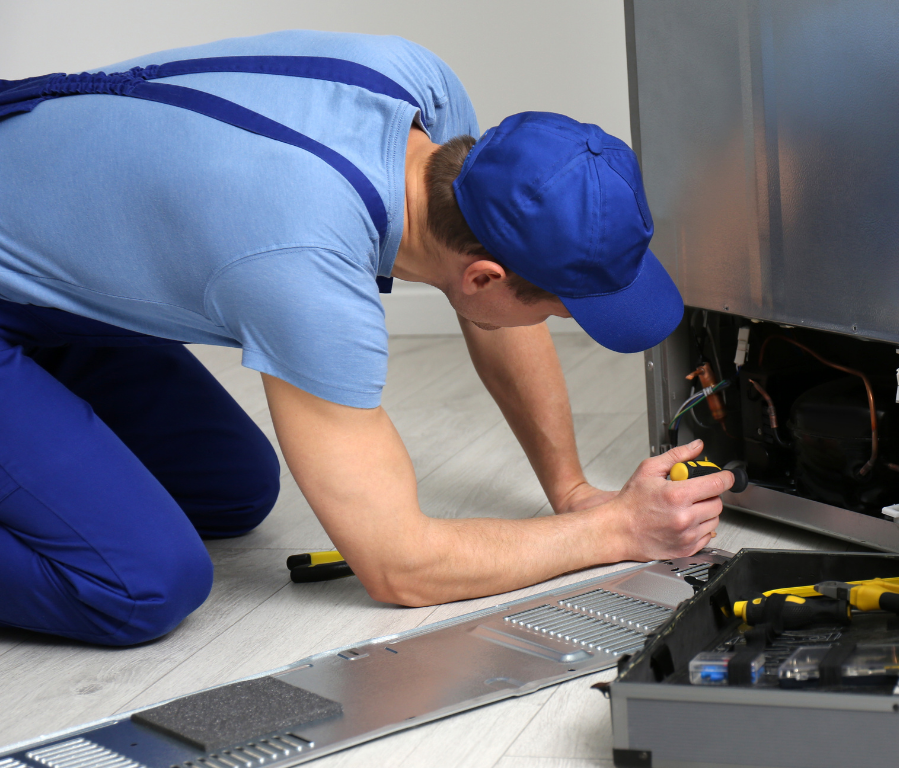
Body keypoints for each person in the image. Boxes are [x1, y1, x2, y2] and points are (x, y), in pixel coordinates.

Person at [0, 30, 731, 646]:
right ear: (484, 277)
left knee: (231, 490)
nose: (553, 323)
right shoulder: (306, 267)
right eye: (557, 310)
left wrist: (572, 492)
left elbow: (495, 315)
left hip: (43, 277)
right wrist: (617, 536)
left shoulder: (427, 104)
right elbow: (399, 566)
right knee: (144, 583)